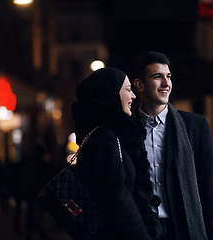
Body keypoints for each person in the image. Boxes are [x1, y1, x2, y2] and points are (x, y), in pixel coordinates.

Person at [130, 51, 213, 240]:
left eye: (168, 77)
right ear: (139, 85)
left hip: (182, 229)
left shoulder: (194, 126)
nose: (166, 84)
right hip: (142, 230)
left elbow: (211, 192)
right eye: (157, 77)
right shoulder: (126, 129)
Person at [71, 67, 165, 240]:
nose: (134, 96)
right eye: (128, 90)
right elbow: (118, 200)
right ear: (111, 94)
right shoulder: (104, 138)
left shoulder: (104, 135)